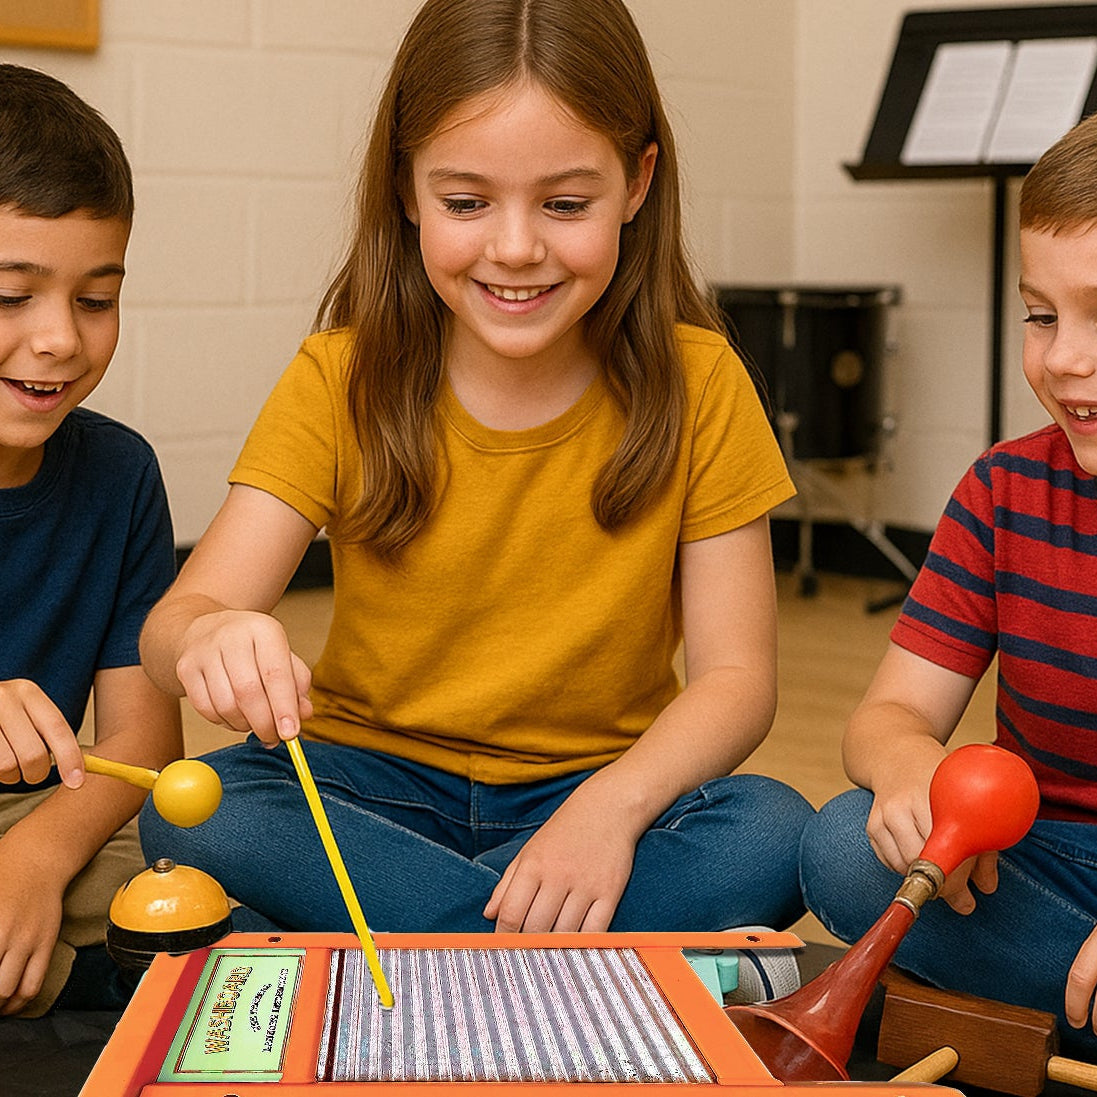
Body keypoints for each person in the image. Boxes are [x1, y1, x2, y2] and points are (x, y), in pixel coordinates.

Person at [139, 0, 812, 957]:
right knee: (199, 814)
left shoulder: (700, 382)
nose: (514, 248)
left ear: (637, 183)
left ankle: (421, 946)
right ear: (406, 191)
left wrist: (609, 812)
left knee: (775, 830)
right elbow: (176, 620)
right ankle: (542, 957)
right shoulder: (344, 375)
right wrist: (210, 633)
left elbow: (738, 681)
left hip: (593, 791)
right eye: (465, 203)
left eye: (565, 204)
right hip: (366, 786)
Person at [800, 111, 1097, 1055]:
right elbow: (884, 718)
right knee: (841, 847)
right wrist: (909, 777)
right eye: (1041, 316)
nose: (1063, 360)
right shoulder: (1003, 491)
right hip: (1042, 867)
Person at [0, 65, 181, 1017]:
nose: (58, 339)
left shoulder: (119, 475)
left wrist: (33, 858)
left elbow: (144, 746)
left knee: (199, 868)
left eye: (96, 298)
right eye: (9, 297)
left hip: (45, 818)